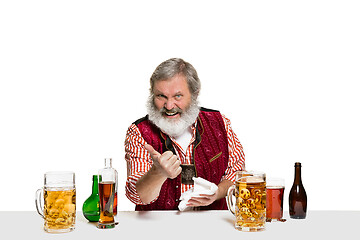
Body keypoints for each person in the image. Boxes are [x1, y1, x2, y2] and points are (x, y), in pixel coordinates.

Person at [125, 58, 245, 210]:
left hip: (214, 225)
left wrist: (217, 192)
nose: (169, 106)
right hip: (158, 228)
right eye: (161, 96)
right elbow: (137, 196)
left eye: (178, 96)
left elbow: (237, 174)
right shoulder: (138, 132)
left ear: (195, 94)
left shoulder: (220, 122)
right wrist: (158, 173)